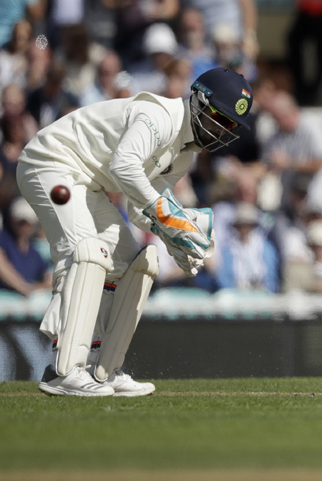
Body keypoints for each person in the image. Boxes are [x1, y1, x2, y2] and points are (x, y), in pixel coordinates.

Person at [17, 66, 253, 396]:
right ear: (199, 100)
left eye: (228, 125)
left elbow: (140, 208)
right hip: (51, 163)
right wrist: (169, 220)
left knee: (129, 260)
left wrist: (177, 243)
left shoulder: (184, 154)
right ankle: (63, 369)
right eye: (218, 117)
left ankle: (104, 367)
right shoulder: (158, 117)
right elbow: (124, 167)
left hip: (89, 184)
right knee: (87, 251)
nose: (219, 130)